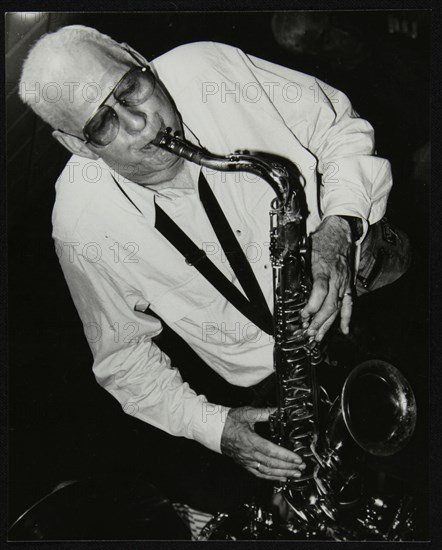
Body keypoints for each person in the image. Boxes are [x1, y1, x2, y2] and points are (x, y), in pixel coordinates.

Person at [18, 25, 409, 529]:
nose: (140, 124)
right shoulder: (79, 226)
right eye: (102, 125)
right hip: (282, 388)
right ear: (77, 144)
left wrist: (338, 226)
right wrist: (217, 428)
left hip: (365, 284)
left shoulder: (210, 70)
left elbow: (339, 128)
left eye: (131, 88)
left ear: (138, 57)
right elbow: (124, 359)